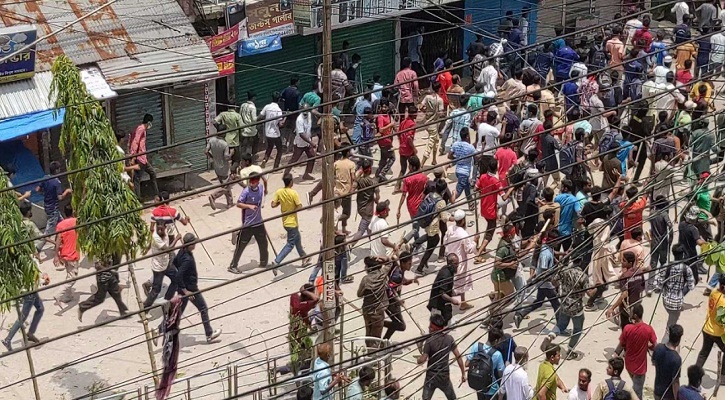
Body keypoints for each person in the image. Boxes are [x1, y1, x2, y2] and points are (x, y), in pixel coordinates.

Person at [175, 233, 222, 343]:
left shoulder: (181, 251)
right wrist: (186, 290)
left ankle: (159, 330)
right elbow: (178, 274)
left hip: (184, 289)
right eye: (194, 243)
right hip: (191, 290)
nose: (195, 244)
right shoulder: (187, 259)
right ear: (190, 244)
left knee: (178, 313)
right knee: (203, 308)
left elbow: (175, 263)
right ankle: (209, 334)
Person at [417, 314, 466, 400]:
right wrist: (463, 373)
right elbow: (458, 356)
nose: (428, 328)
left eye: (430, 326)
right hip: (444, 377)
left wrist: (418, 358)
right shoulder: (449, 339)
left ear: (434, 328)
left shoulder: (429, 342)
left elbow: (422, 360)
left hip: (431, 378)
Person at [228, 172, 270, 274]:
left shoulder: (260, 187)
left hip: (259, 222)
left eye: (253, 181)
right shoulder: (246, 191)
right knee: (241, 246)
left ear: (257, 181)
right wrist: (249, 206)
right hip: (248, 224)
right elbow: (238, 204)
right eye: (250, 181)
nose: (251, 183)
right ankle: (233, 266)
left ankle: (263, 262)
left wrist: (266, 187)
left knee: (263, 243)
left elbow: (265, 180)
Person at [614, 304, 656, 399]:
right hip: (640, 367)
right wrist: (648, 346)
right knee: (638, 392)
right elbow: (654, 345)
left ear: (635, 315)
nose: (630, 312)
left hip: (629, 364)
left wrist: (615, 353)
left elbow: (622, 344)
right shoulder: (648, 329)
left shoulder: (627, 328)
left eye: (631, 311)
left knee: (636, 386)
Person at [2, 264, 49, 351]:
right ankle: (7, 340)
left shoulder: (26, 259)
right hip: (29, 292)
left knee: (40, 308)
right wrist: (43, 281)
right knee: (22, 317)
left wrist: (43, 276)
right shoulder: (30, 261)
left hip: (31, 291)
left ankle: (30, 333)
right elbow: (32, 279)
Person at [655, 244, 695, 344]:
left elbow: (659, 285)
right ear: (683, 254)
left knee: (671, 322)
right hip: (677, 304)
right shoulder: (687, 269)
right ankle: (662, 346)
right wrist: (681, 292)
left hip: (666, 301)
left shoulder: (666, 267)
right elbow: (691, 286)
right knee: (669, 328)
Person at [270, 174, 311, 272]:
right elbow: (299, 206)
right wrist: (293, 210)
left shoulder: (279, 192)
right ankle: (276, 262)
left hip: (285, 222)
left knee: (297, 240)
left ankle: (304, 258)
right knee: (290, 244)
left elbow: (273, 204)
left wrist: (281, 202)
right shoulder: (293, 193)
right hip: (292, 222)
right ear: (291, 182)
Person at [442, 209, 476, 309]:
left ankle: (463, 302)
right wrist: (475, 242)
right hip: (459, 262)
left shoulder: (450, 229)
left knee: (462, 282)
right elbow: (469, 250)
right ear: (463, 220)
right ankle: (444, 299)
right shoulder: (463, 234)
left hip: (450, 258)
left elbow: (445, 242)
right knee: (457, 285)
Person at [35, 161, 72, 252]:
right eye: (59, 169)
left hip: (48, 206)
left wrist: (46, 193)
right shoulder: (56, 182)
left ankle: (59, 243)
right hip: (53, 209)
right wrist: (67, 191)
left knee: (63, 225)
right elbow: (60, 197)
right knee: (48, 233)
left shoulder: (45, 178)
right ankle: (38, 249)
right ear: (56, 170)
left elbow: (37, 190)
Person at [357, 256, 392, 347]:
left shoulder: (366, 279)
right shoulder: (382, 274)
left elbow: (359, 294)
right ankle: (373, 356)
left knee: (368, 334)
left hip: (367, 311)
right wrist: (382, 258)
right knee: (376, 337)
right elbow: (390, 262)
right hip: (378, 312)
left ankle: (369, 353)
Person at [696, 274, 725, 380]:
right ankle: (723, 377)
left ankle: (695, 376)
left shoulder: (714, 292)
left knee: (704, 353)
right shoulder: (723, 302)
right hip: (717, 333)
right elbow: (722, 321)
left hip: (707, 328)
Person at [143, 223, 179, 308]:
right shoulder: (157, 238)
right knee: (156, 289)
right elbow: (167, 249)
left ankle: (167, 299)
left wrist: (147, 248)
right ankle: (145, 308)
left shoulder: (164, 233)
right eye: (158, 229)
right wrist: (177, 239)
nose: (160, 231)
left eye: (161, 229)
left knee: (176, 279)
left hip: (166, 263)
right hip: (158, 267)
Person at [606, 252, 645, 330]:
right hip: (637, 304)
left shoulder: (624, 276)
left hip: (627, 307)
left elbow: (624, 294)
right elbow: (642, 287)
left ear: (630, 263)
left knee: (626, 328)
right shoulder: (640, 272)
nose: (621, 262)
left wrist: (612, 308)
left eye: (624, 261)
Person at [384, 251, 416, 341]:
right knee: (401, 326)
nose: (411, 265)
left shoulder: (400, 270)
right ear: (402, 263)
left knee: (396, 322)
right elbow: (389, 288)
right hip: (390, 303)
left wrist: (411, 281)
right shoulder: (397, 275)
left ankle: (385, 341)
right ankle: (379, 323)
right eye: (409, 263)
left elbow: (402, 281)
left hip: (395, 304)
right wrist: (397, 299)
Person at [53, 204, 80, 308]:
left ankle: (68, 296)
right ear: (73, 212)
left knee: (69, 274)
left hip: (64, 254)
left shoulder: (60, 225)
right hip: (73, 254)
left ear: (64, 213)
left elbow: (58, 240)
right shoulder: (77, 221)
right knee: (73, 278)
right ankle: (58, 294)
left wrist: (56, 255)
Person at [465, 329, 505, 400]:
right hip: (491, 388)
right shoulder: (497, 354)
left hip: (478, 385)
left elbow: (467, 364)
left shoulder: (476, 346)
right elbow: (500, 374)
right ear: (496, 341)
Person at [130, 113, 159, 198]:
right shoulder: (141, 129)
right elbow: (135, 142)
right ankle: (138, 199)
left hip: (143, 158)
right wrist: (133, 156)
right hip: (140, 158)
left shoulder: (141, 128)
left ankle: (156, 195)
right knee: (137, 179)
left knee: (152, 173)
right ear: (149, 122)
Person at [427, 253, 461, 325]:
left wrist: (452, 292)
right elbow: (442, 293)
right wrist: (452, 300)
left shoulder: (449, 269)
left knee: (448, 316)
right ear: (449, 264)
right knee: (438, 324)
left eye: (458, 263)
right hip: (438, 305)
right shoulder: (446, 275)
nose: (457, 265)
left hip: (443, 303)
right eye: (455, 264)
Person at [652, 324, 683, 400]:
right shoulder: (676, 359)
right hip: (668, 395)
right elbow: (675, 382)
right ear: (679, 339)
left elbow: (653, 362)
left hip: (657, 390)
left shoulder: (658, 347)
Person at [285, 107, 316, 181]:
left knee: (312, 156)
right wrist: (311, 142)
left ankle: (307, 174)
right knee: (294, 160)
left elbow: (309, 129)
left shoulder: (309, 115)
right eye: (304, 114)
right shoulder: (299, 120)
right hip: (300, 143)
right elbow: (301, 134)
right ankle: (285, 175)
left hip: (307, 142)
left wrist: (310, 140)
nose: (305, 115)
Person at [206, 133, 234, 210]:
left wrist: (212, 157)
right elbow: (226, 157)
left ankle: (230, 203)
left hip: (216, 167)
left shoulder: (211, 140)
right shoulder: (224, 144)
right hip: (224, 168)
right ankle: (213, 196)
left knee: (226, 185)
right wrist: (231, 152)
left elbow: (205, 151)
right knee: (225, 186)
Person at [394, 106, 418, 193]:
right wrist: (414, 148)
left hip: (402, 148)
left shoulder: (403, 122)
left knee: (403, 169)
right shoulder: (412, 124)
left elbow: (398, 133)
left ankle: (397, 186)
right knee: (416, 166)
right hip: (408, 150)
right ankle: (409, 183)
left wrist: (401, 142)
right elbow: (409, 138)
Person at [259, 92, 285, 169]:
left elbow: (260, 116)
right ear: (279, 100)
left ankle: (264, 160)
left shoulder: (267, 107)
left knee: (269, 147)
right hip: (275, 133)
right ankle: (276, 166)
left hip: (267, 132)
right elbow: (280, 124)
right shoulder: (278, 110)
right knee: (280, 150)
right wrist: (284, 119)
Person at [214, 106, 244, 170]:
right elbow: (242, 127)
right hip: (235, 141)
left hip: (225, 141)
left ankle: (232, 173)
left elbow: (214, 122)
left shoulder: (223, 114)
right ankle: (232, 171)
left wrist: (219, 129)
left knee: (226, 159)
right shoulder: (237, 116)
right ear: (235, 107)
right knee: (236, 160)